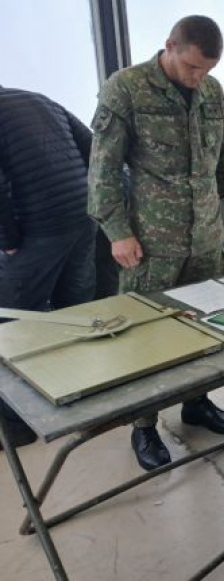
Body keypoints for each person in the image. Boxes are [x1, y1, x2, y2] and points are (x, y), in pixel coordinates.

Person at [88, 15, 224, 471]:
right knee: (145, 337)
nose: (198, 77)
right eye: (192, 67)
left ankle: (196, 403)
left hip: (205, 240)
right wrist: (117, 232)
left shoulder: (212, 92)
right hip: (150, 245)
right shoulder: (126, 88)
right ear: (169, 46)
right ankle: (143, 425)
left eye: (207, 69)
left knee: (205, 328)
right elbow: (102, 169)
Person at [0, 86, 98, 450]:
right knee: (73, 312)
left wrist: (8, 239)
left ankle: (16, 425)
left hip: (37, 230)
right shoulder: (37, 98)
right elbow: (93, 146)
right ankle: (78, 397)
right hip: (82, 215)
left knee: (12, 323)